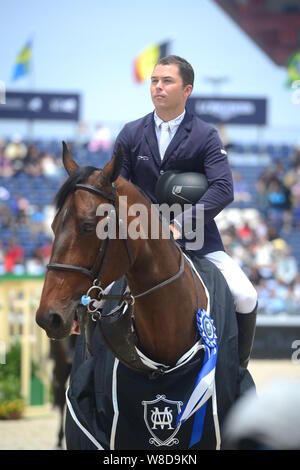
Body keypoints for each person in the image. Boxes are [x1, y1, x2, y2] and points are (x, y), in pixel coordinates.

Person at [113, 55, 257, 368]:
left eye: (167, 81)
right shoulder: (131, 133)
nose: (158, 87)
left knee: (246, 296)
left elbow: (223, 188)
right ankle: (88, 378)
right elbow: (116, 187)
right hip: (140, 246)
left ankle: (236, 373)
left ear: (187, 89)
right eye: (154, 81)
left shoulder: (205, 135)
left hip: (197, 242)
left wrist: (180, 224)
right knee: (95, 298)